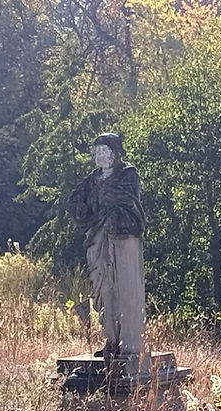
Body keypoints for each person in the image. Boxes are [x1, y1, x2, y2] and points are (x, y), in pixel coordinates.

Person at [68, 133, 147, 364]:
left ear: (115, 153)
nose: (101, 155)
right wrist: (83, 208)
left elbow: (125, 198)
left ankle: (130, 343)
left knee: (125, 286)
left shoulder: (128, 174)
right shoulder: (91, 181)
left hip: (123, 236)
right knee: (103, 287)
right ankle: (111, 340)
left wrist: (104, 208)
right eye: (98, 151)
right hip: (97, 236)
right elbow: (75, 202)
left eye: (105, 150)